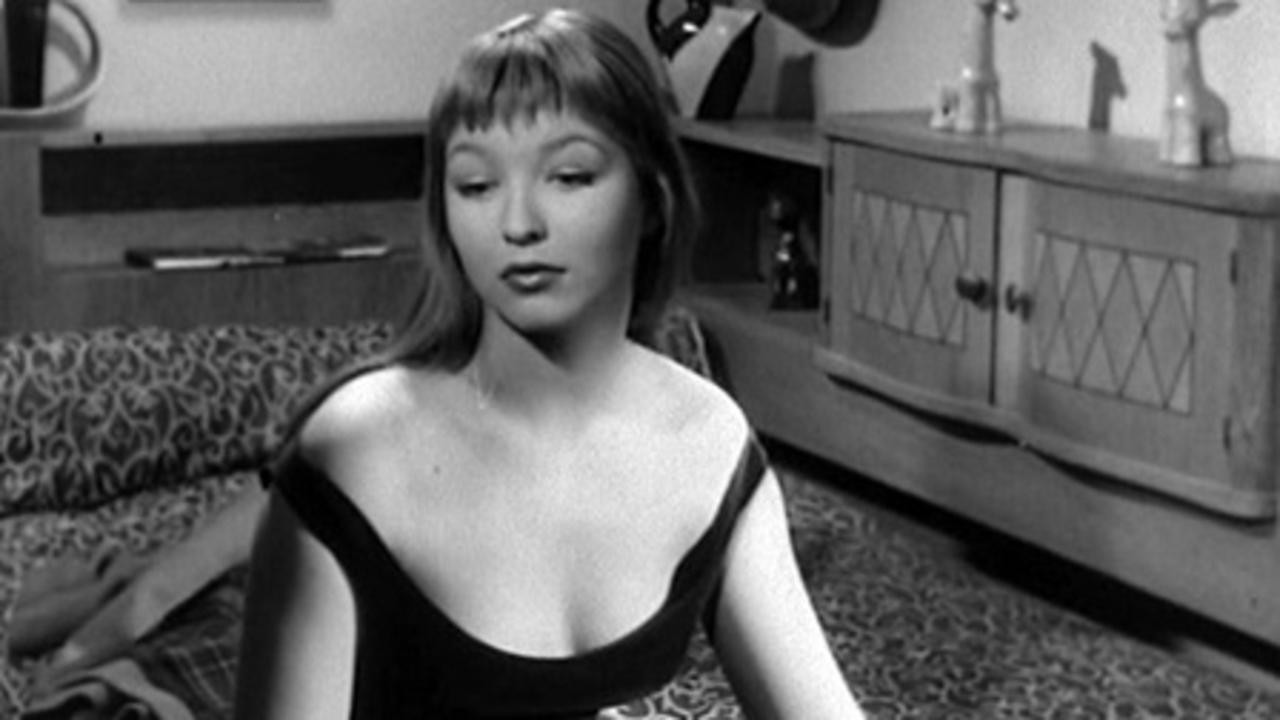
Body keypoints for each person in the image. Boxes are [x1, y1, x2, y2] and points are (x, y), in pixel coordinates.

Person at [233, 8, 865, 719]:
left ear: (652, 200)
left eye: (568, 176)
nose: (518, 224)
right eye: (476, 186)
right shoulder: (354, 448)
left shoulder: (708, 439)